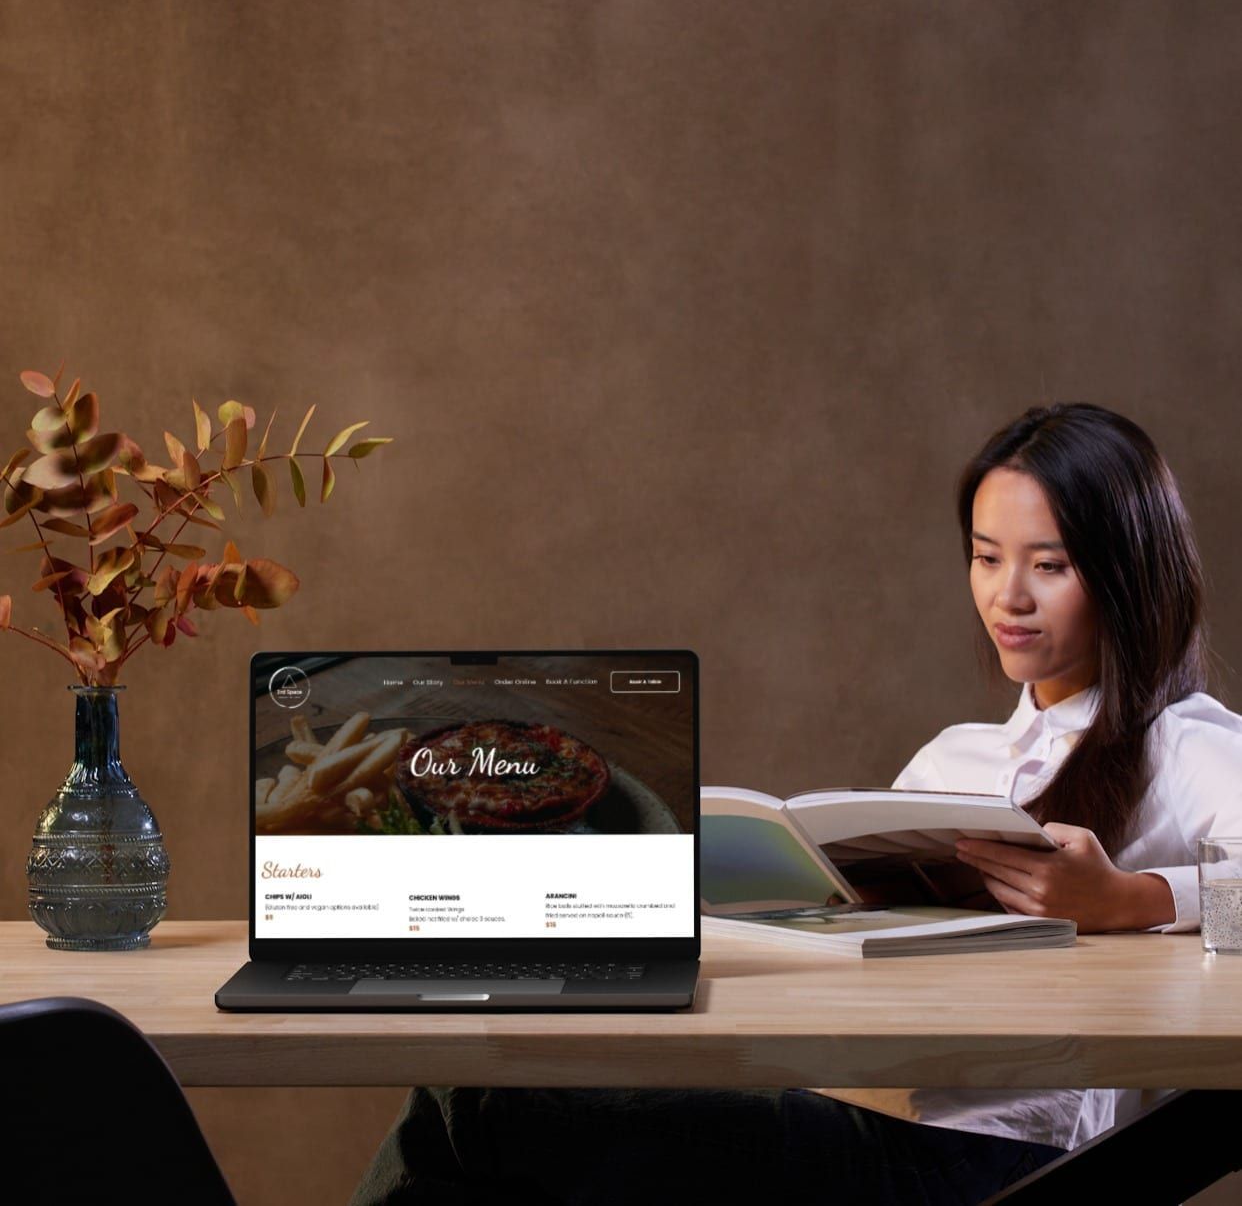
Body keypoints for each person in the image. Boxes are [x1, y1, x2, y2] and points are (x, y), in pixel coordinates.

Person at [351, 403, 1242, 1205]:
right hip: (880, 1114)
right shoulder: (951, 760)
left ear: (1129, 569)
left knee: (475, 1107)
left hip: (1003, 1166)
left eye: (1049, 564)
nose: (1007, 596)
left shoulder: (1191, 746)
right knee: (476, 1115)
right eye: (984, 557)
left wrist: (1135, 899)